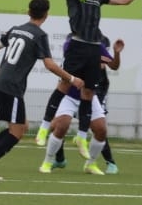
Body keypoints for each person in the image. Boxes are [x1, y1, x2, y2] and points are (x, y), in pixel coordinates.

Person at [40, 0, 142, 174]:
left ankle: (89, 158)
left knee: (99, 124)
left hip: (91, 55)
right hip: (77, 57)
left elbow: (125, 0)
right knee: (62, 112)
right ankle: (46, 148)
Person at [0, 0, 82, 181]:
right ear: (46, 14)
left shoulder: (15, 29)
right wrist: (71, 78)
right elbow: (49, 64)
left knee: (22, 125)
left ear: (28, 11)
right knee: (17, 132)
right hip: (11, 87)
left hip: (0, 84)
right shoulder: (39, 35)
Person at [53, 38, 124, 173]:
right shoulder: (73, 49)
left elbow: (112, 66)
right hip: (70, 96)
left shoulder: (100, 73)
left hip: (90, 96)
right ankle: (59, 159)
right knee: (58, 125)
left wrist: (116, 53)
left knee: (99, 128)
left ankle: (107, 162)